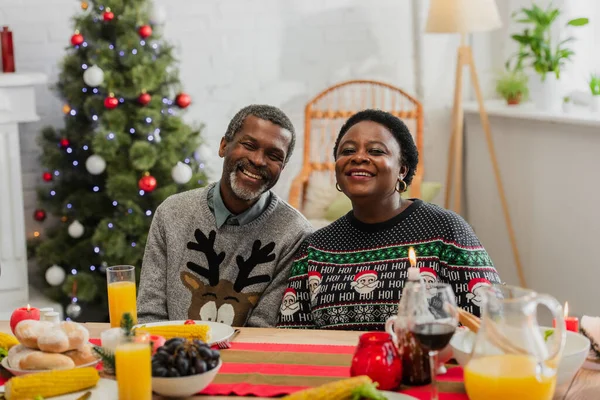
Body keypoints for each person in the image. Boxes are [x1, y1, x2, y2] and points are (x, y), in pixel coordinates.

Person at [277, 109, 501, 330]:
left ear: (402, 170)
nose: (358, 157)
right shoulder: (316, 248)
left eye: (376, 151)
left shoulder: (445, 231)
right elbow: (292, 336)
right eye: (347, 151)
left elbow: (494, 322)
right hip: (335, 367)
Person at [138, 104, 313, 327]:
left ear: (283, 167)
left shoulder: (295, 234)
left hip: (245, 360)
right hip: (172, 355)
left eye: (274, 155)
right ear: (223, 146)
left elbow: (263, 331)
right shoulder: (171, 213)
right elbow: (149, 314)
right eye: (249, 145)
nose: (258, 160)